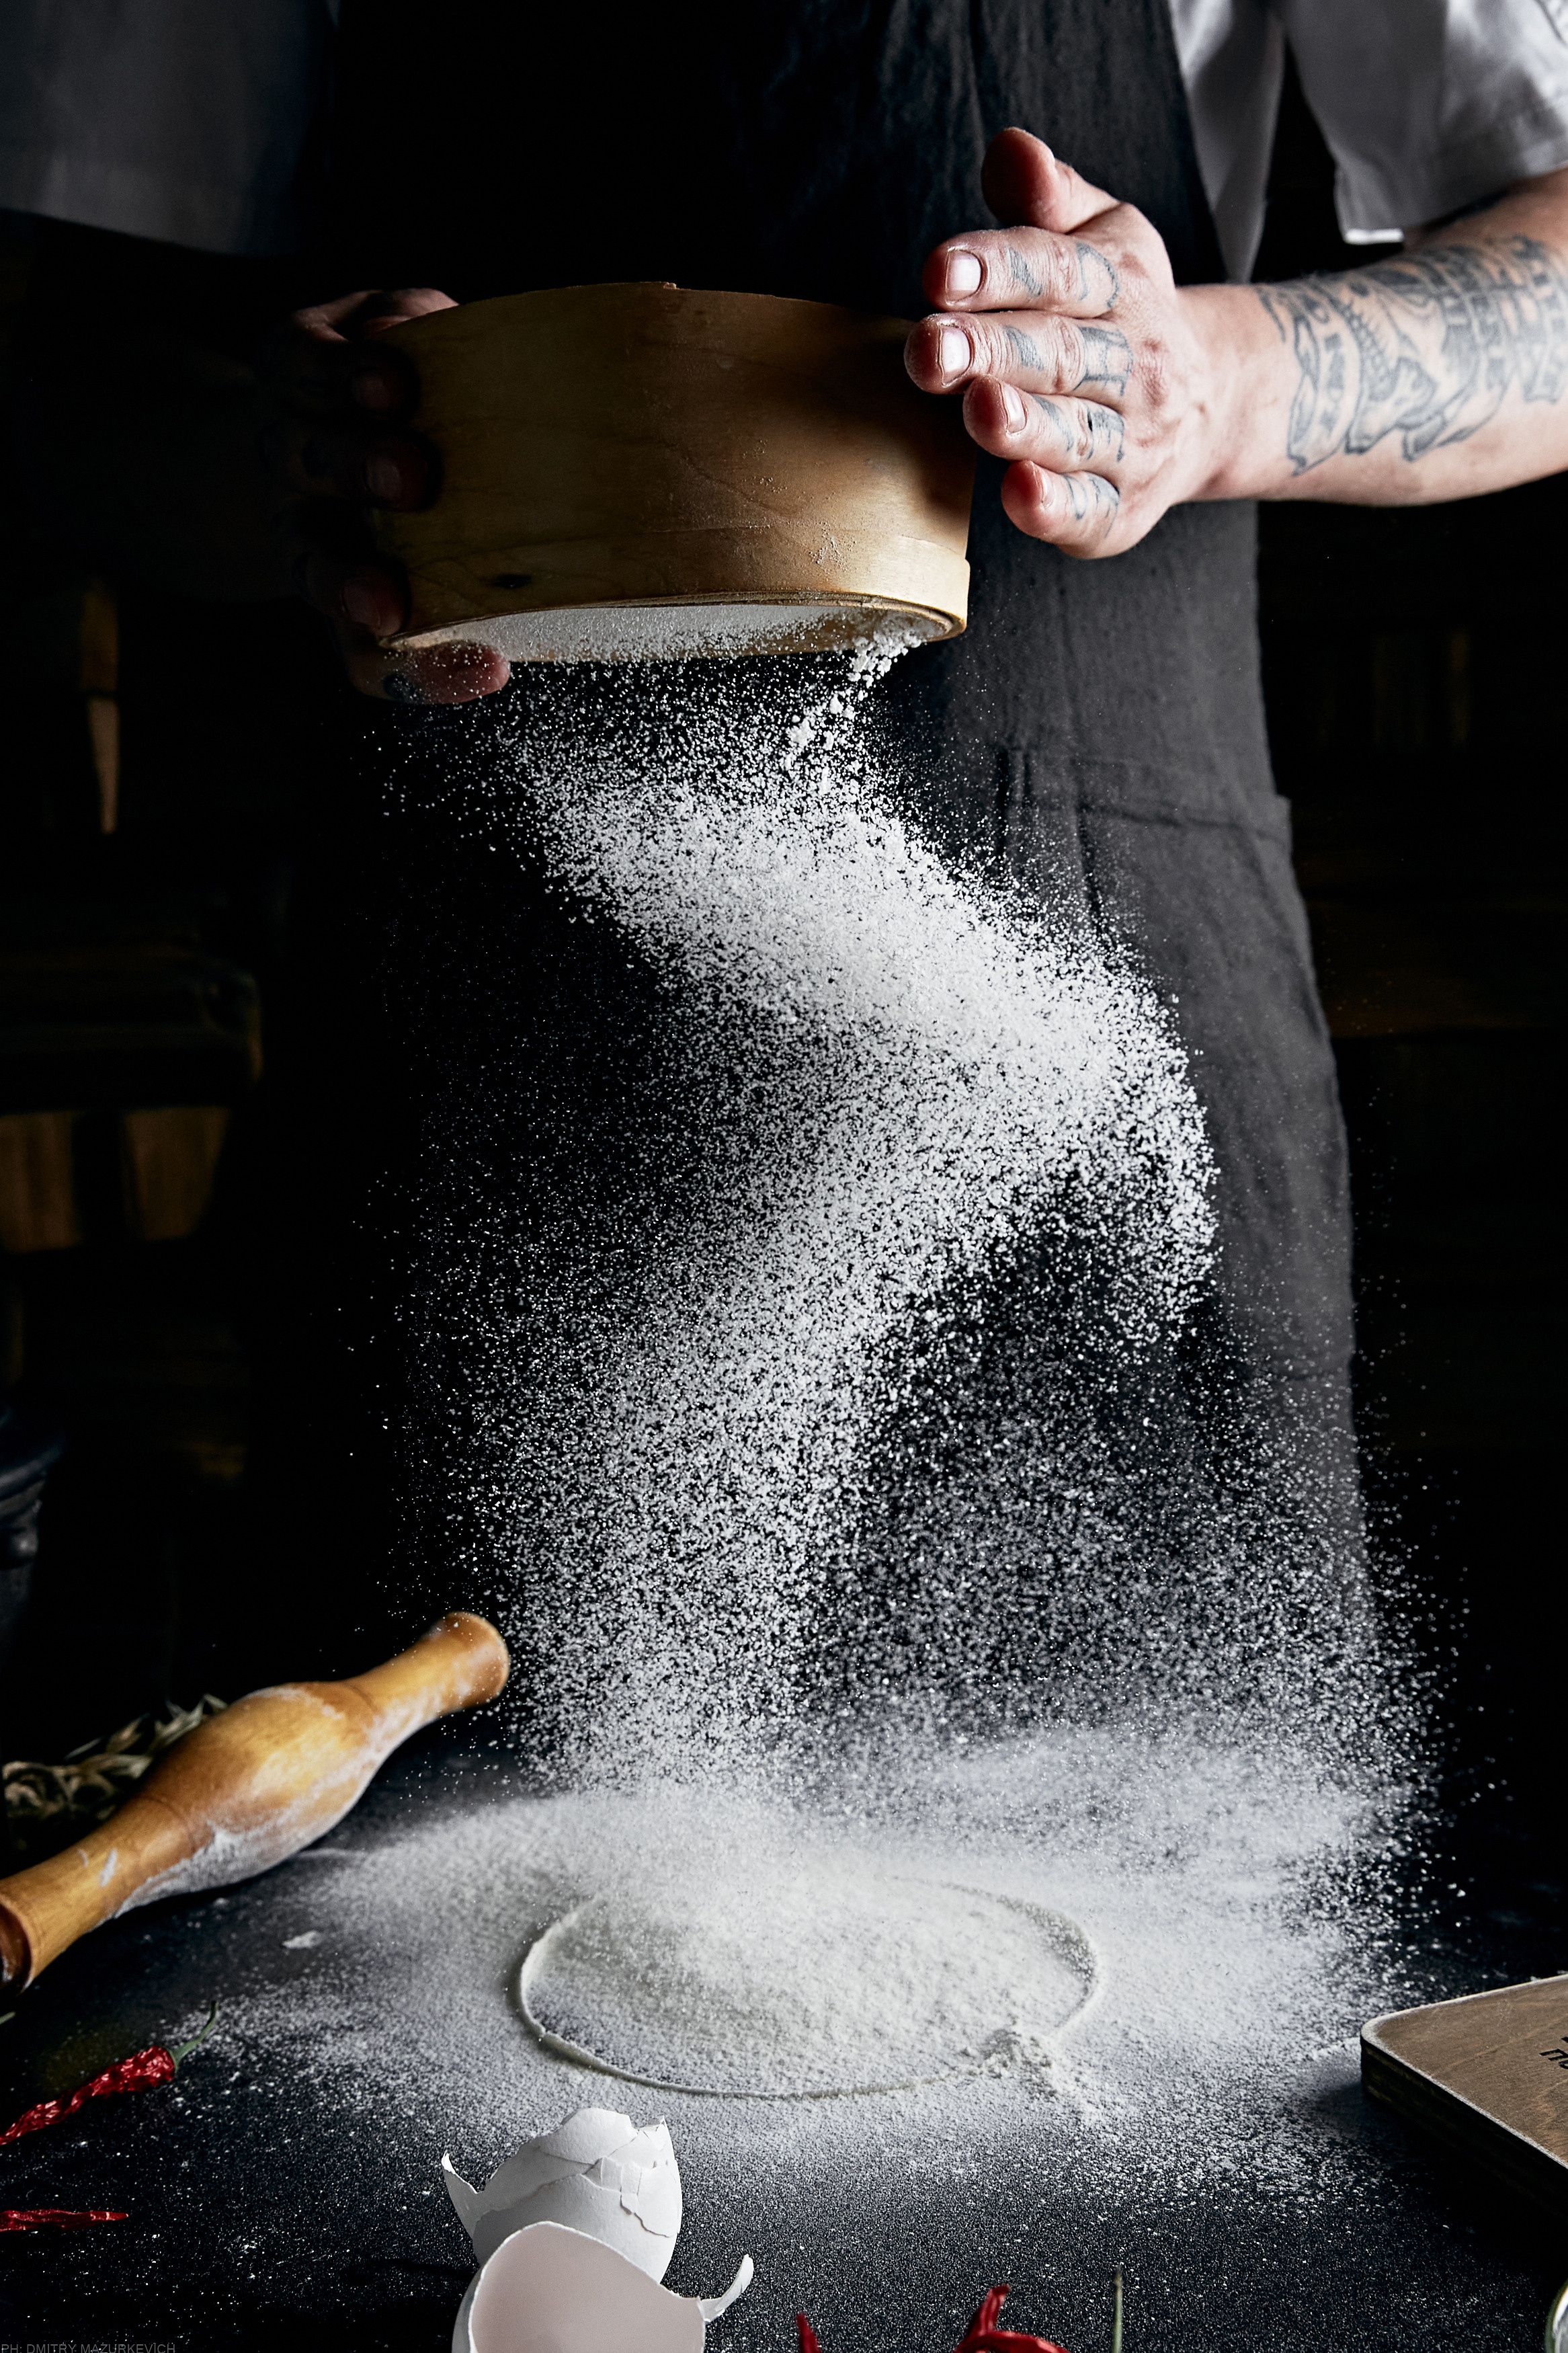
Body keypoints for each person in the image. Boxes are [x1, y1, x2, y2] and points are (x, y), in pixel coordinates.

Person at [3, 0, 1567, 1722]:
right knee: (419, 1941)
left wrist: (1206, 386)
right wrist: (285, 462)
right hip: (480, 1049)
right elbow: (63, 360)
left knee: (1165, 1906)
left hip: (1090, 1026)